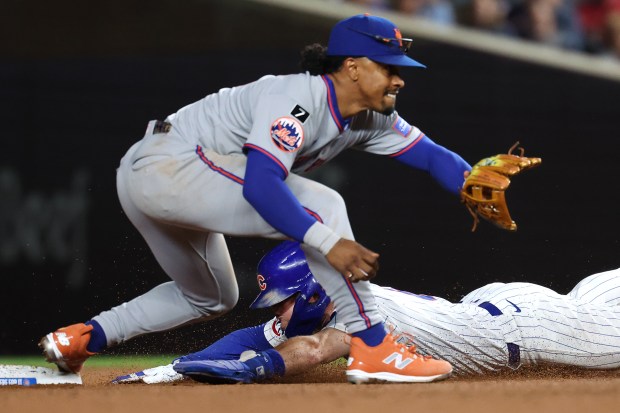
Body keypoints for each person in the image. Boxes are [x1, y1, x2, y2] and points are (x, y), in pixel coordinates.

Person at [39, 14, 472, 384]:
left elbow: (431, 155)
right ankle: (374, 345)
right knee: (325, 208)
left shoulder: (371, 118)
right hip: (170, 164)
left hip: (153, 177)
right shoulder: (297, 99)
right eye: (388, 66)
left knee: (210, 297)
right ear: (353, 67)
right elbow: (262, 185)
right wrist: (327, 241)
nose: (399, 77)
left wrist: (470, 179)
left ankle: (82, 338)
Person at [113, 241, 620, 385]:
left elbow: (310, 351)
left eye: (285, 302)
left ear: (313, 294)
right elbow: (256, 333)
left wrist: (250, 370)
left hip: (537, 332)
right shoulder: (331, 303)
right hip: (499, 306)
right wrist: (165, 371)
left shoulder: (359, 315)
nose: (280, 315)